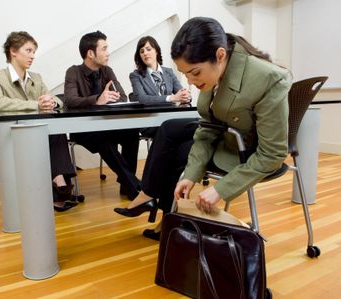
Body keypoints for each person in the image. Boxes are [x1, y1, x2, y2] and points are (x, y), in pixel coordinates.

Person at [115, 17, 291, 240]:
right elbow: (208, 129)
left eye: (195, 73)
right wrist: (190, 176)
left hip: (246, 151)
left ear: (219, 55)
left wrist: (220, 189)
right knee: (173, 139)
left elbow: (272, 154)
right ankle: (168, 215)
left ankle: (167, 216)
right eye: (185, 73)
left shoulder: (269, 79)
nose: (189, 81)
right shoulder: (214, 72)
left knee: (177, 148)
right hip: (226, 138)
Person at [0, 31, 78, 212]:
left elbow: (55, 100)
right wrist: (35, 105)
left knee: (55, 128)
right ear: (13, 51)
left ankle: (58, 182)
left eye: (34, 51)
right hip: (11, 134)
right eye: (28, 50)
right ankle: (59, 186)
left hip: (37, 130)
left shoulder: (36, 78)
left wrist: (51, 102)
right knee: (50, 131)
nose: (32, 56)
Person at [64, 30, 141, 200]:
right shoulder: (73, 72)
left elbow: (121, 95)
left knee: (131, 132)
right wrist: (97, 99)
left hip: (108, 125)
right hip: (84, 129)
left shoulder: (107, 71)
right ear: (90, 53)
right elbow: (70, 100)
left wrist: (108, 98)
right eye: (104, 49)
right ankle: (134, 185)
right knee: (103, 138)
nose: (108, 53)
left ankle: (126, 185)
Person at [129, 35, 192, 138]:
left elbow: (180, 92)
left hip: (171, 117)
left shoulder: (169, 72)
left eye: (148, 49)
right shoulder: (136, 76)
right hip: (150, 121)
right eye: (141, 51)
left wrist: (186, 95)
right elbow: (142, 99)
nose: (145, 53)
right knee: (176, 129)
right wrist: (171, 98)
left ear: (156, 51)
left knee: (192, 125)